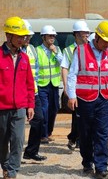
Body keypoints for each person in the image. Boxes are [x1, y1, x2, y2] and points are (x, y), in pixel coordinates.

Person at [67, 20, 108, 179]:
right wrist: (72, 95)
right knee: (86, 134)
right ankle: (87, 162)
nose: (107, 45)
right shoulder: (80, 51)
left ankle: (101, 167)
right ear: (97, 38)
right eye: (105, 42)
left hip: (104, 100)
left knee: (102, 133)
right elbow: (72, 74)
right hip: (85, 100)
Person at [0, 16, 35, 179]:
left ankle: (11, 172)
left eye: (24, 36)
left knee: (18, 141)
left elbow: (29, 83)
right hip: (2, 108)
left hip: (20, 108)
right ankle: (5, 165)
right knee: (2, 142)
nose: (22, 39)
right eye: (19, 36)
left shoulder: (25, 58)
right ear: (9, 36)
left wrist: (30, 105)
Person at [61, 20, 90, 151]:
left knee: (85, 114)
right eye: (85, 33)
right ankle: (76, 138)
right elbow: (64, 68)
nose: (87, 36)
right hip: (75, 87)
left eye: (88, 33)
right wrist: (67, 87)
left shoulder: (90, 48)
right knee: (77, 114)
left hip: (88, 87)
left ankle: (76, 138)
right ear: (77, 34)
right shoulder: (68, 51)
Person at [22, 19, 47, 162]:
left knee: (39, 120)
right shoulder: (13, 52)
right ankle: (10, 156)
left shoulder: (32, 49)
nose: (27, 39)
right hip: (18, 94)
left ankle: (31, 151)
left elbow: (35, 72)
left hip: (33, 92)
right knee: (14, 128)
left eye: (29, 36)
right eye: (26, 36)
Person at [36, 25, 63, 144]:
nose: (52, 38)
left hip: (54, 84)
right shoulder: (38, 50)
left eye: (53, 36)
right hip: (42, 85)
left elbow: (63, 63)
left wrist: (56, 52)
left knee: (54, 109)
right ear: (43, 37)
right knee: (44, 109)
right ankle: (43, 134)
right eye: (50, 36)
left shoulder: (57, 49)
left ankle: (49, 132)